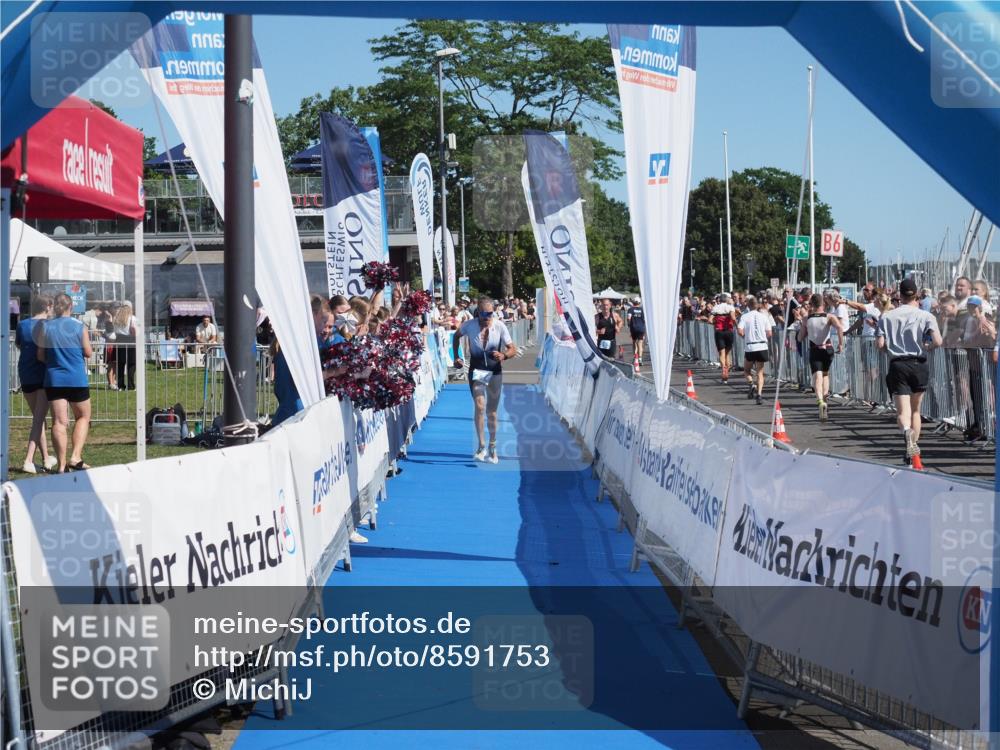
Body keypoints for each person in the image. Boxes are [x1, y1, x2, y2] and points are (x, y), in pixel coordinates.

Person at [876, 278, 942, 469]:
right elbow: (938, 341)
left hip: (898, 363)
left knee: (902, 411)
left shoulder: (887, 316)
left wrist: (888, 347)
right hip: (919, 362)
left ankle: (905, 432)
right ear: (917, 294)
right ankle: (913, 447)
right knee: (915, 410)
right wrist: (927, 346)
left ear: (900, 295)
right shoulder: (926, 315)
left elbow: (880, 345)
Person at [452, 297, 517, 464]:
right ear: (478, 313)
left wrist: (504, 355)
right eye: (484, 313)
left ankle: (493, 446)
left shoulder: (500, 326)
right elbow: (455, 336)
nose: (487, 317)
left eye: (490, 313)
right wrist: (457, 357)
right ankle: (481, 446)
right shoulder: (470, 325)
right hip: (478, 371)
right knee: (480, 407)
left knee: (492, 412)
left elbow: (512, 349)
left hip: (495, 372)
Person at [38, 293, 93, 472]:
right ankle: (75, 456)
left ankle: (61, 465)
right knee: (83, 417)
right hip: (76, 378)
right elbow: (88, 352)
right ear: (71, 307)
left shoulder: (46, 327)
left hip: (54, 379)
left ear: (55, 307)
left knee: (59, 422)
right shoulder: (79, 326)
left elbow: (40, 355)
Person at [15, 294, 57, 473]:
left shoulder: (22, 324)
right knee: (39, 419)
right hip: (42, 373)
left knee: (38, 418)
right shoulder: (48, 325)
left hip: (25, 372)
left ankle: (46, 458)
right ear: (48, 306)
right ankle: (28, 459)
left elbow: (18, 344)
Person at [797, 293, 844, 422]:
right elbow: (840, 328)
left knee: (817, 376)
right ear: (823, 304)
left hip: (815, 349)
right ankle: (825, 399)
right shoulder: (829, 316)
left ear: (812, 304)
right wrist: (841, 344)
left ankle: (820, 401)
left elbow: (800, 337)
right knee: (825, 375)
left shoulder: (807, 318)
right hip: (827, 348)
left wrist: (800, 334)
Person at [737, 295, 773, 405]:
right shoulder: (764, 316)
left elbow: (739, 330)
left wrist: (744, 335)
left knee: (747, 370)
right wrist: (763, 337)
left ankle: (751, 383)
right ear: (757, 305)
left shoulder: (745, 316)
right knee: (760, 372)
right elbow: (769, 333)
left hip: (750, 346)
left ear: (748, 305)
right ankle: (759, 394)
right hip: (762, 346)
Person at [710, 292, 737, 382]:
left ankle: (723, 370)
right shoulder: (730, 307)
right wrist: (737, 325)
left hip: (719, 331)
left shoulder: (715, 308)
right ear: (726, 300)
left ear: (719, 300)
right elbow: (733, 318)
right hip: (729, 331)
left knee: (722, 353)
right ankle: (727, 372)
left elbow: (710, 320)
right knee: (727, 353)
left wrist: (716, 322)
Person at [111, 302, 137, 390]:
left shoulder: (116, 318)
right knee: (131, 364)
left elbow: (114, 330)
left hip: (119, 340)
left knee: (120, 365)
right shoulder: (132, 318)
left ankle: (120, 385)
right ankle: (130, 386)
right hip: (130, 341)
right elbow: (134, 330)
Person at [626, 296, 646, 370]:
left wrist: (629, 325)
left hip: (634, 328)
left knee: (634, 342)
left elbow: (628, 318)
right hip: (641, 328)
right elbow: (644, 319)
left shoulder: (630, 309)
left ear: (633, 302)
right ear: (639, 303)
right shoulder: (642, 310)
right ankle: (640, 359)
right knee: (640, 343)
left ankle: (635, 357)